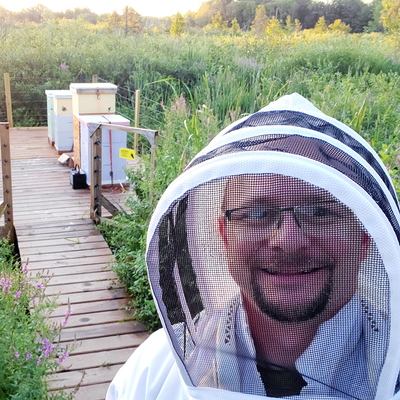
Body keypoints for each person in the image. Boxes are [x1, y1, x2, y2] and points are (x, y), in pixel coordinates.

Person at [107, 93, 400, 400]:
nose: (288, 241)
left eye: (320, 212)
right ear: (224, 235)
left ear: (365, 235)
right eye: (258, 214)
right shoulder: (151, 372)